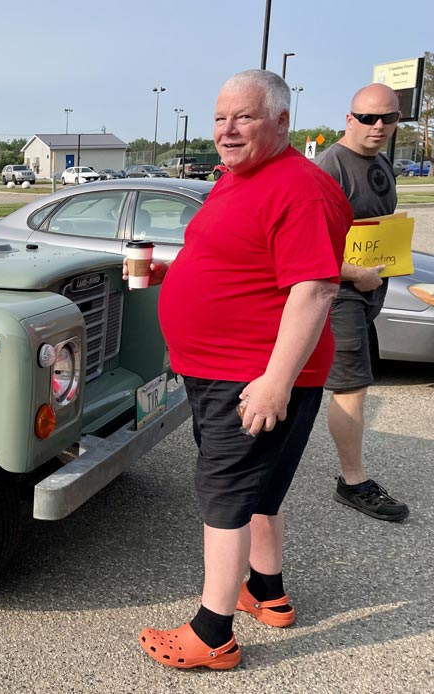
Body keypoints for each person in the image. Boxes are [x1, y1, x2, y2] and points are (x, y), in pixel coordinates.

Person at [134, 70, 352, 670]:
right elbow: (236, 259)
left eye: (245, 118)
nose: (227, 131)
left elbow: (313, 289)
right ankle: (267, 590)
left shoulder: (299, 189)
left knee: (224, 498)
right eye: (220, 119)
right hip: (227, 372)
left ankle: (212, 634)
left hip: (251, 379)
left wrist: (275, 383)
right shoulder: (239, 179)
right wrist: (172, 278)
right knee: (259, 492)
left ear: (282, 122)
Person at [314, 84, 410, 522]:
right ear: (348, 118)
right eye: (368, 118)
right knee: (352, 386)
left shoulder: (381, 162)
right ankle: (353, 482)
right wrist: (357, 274)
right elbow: (309, 248)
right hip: (341, 293)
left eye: (387, 118)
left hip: (370, 289)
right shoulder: (330, 168)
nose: (378, 126)